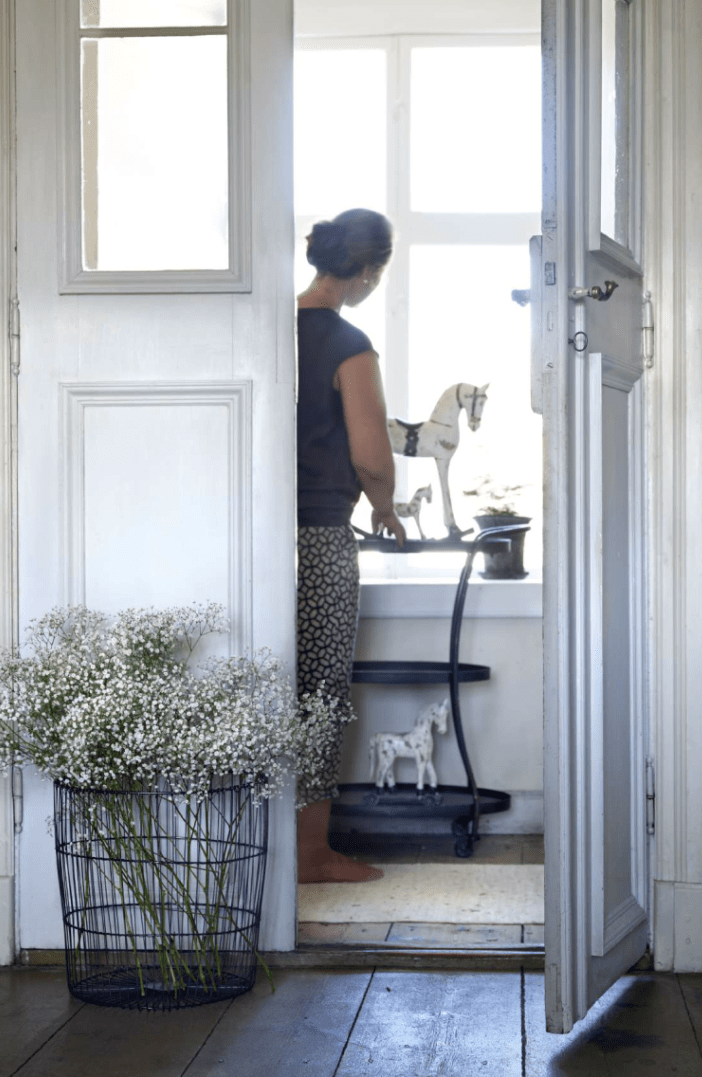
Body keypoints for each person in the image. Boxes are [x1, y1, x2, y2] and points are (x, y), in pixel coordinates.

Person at [296, 208, 406, 884]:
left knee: (267, 685)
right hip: (319, 539)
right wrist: (386, 505)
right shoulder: (348, 342)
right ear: (366, 271)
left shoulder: (266, 329)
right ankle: (312, 851)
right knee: (319, 691)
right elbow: (371, 455)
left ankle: (268, 848)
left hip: (255, 537)